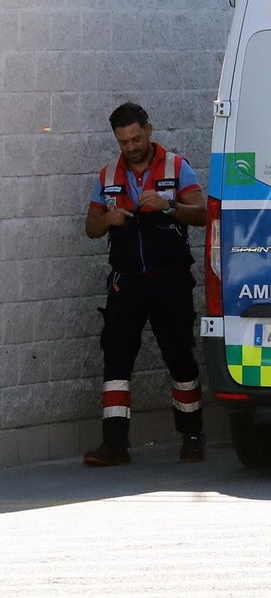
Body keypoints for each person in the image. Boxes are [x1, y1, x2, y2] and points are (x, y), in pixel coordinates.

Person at [82, 103, 208, 466]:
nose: (131, 147)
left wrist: (168, 205)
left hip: (170, 282)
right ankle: (115, 445)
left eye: (136, 138)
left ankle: (193, 436)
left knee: (179, 357)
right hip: (127, 284)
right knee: (116, 360)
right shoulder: (107, 176)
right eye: (123, 141)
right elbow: (91, 228)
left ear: (149, 130)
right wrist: (108, 218)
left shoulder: (176, 167)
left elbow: (201, 215)